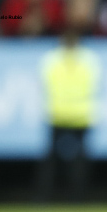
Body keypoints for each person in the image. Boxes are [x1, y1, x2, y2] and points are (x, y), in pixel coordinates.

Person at [36, 27, 100, 202]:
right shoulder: (89, 59)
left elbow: (43, 84)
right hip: (82, 114)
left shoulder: (51, 60)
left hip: (57, 113)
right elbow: (95, 84)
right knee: (80, 161)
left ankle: (45, 198)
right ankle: (78, 198)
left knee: (51, 160)